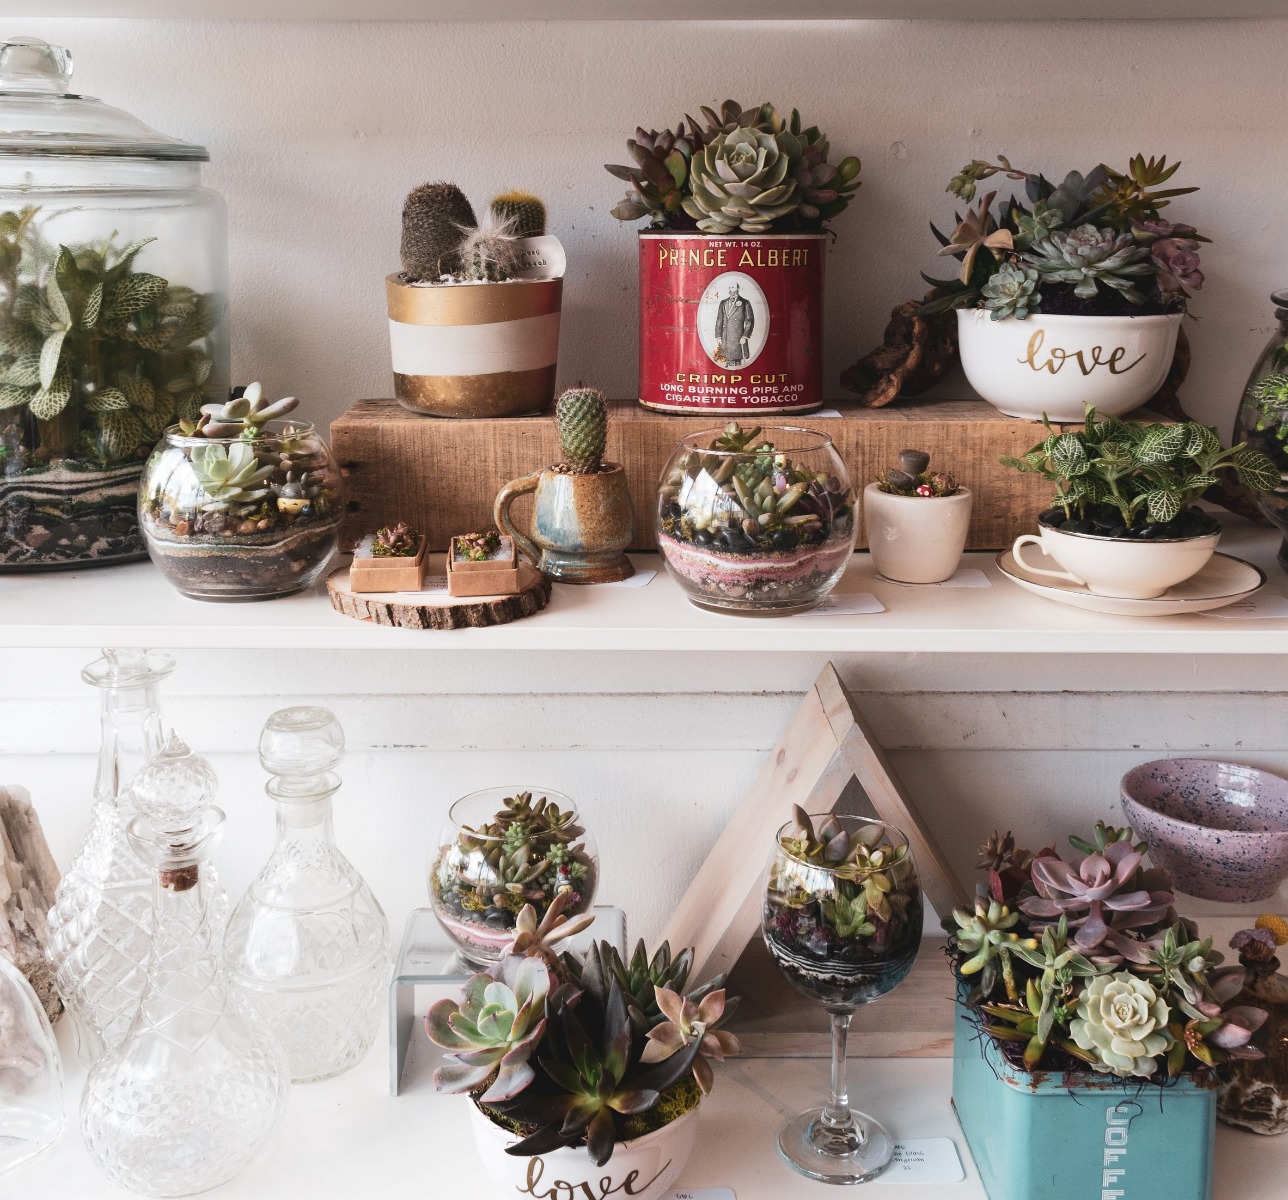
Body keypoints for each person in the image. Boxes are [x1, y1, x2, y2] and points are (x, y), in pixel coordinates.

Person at [714, 282, 754, 368]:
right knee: (724, 362)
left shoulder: (745, 303)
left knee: (737, 364)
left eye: (732, 287)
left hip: (738, 339)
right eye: (729, 287)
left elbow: (749, 321)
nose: (730, 289)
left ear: (737, 289)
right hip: (725, 338)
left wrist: (745, 337)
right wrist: (718, 337)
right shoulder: (723, 302)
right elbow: (719, 320)